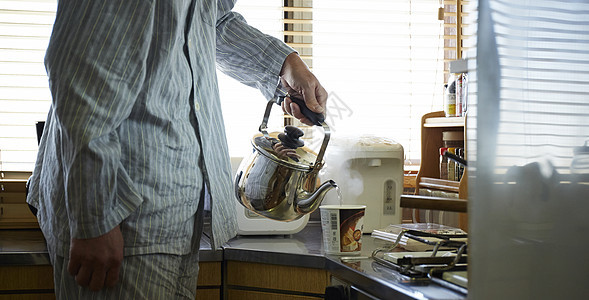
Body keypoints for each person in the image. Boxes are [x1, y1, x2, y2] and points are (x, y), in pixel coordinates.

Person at [26, 0, 327, 298]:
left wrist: (285, 64)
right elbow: (82, 76)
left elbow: (210, 22)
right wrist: (95, 218)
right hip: (125, 216)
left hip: (172, 218)